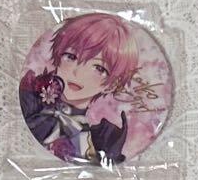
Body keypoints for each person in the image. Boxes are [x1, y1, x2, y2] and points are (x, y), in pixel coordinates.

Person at [19, 13, 139, 164]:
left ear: (112, 85)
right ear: (58, 56)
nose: (78, 73)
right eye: (71, 56)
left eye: (99, 68)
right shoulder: (28, 102)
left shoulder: (103, 141)